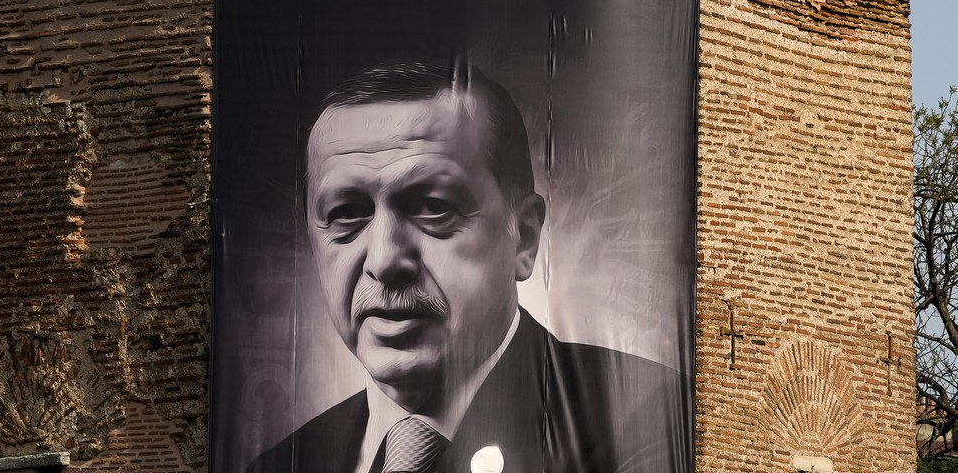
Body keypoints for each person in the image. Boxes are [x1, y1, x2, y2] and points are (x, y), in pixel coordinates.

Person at [246, 61, 686, 473]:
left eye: (433, 208)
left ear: (526, 237)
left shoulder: (644, 422)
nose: (384, 261)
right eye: (345, 214)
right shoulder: (278, 465)